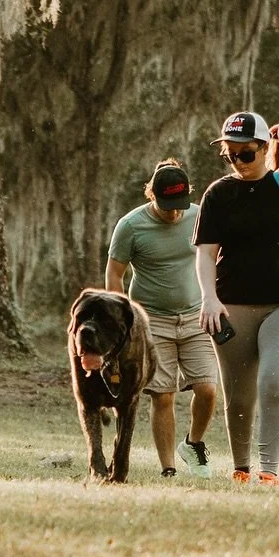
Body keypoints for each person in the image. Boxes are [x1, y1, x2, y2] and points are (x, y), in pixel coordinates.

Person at [194, 111, 279, 486]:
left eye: (245, 154)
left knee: (272, 381)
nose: (237, 161)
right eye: (230, 154)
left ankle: (268, 470)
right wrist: (208, 298)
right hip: (230, 305)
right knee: (238, 396)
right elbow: (206, 254)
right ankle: (241, 469)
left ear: (262, 148)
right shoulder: (219, 194)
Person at [104, 159, 219, 478]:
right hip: (152, 321)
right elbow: (115, 274)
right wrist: (123, 322)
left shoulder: (199, 215)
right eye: (167, 205)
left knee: (208, 389)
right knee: (163, 394)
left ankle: (193, 444)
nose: (174, 213)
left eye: (179, 205)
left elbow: (216, 258)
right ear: (150, 195)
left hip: (197, 317)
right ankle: (168, 467)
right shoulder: (131, 225)